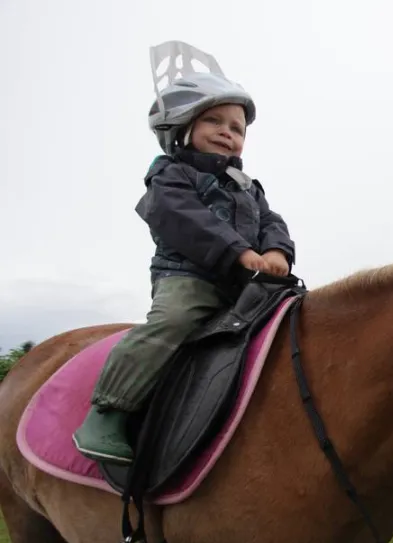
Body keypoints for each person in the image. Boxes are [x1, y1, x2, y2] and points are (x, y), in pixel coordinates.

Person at [73, 45, 296, 465]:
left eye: (237, 127)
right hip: (189, 278)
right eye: (213, 120)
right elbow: (183, 217)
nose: (227, 132)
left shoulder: (249, 187)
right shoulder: (170, 174)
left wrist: (276, 250)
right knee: (172, 322)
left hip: (244, 287)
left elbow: (272, 221)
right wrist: (240, 252)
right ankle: (108, 412)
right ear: (182, 126)